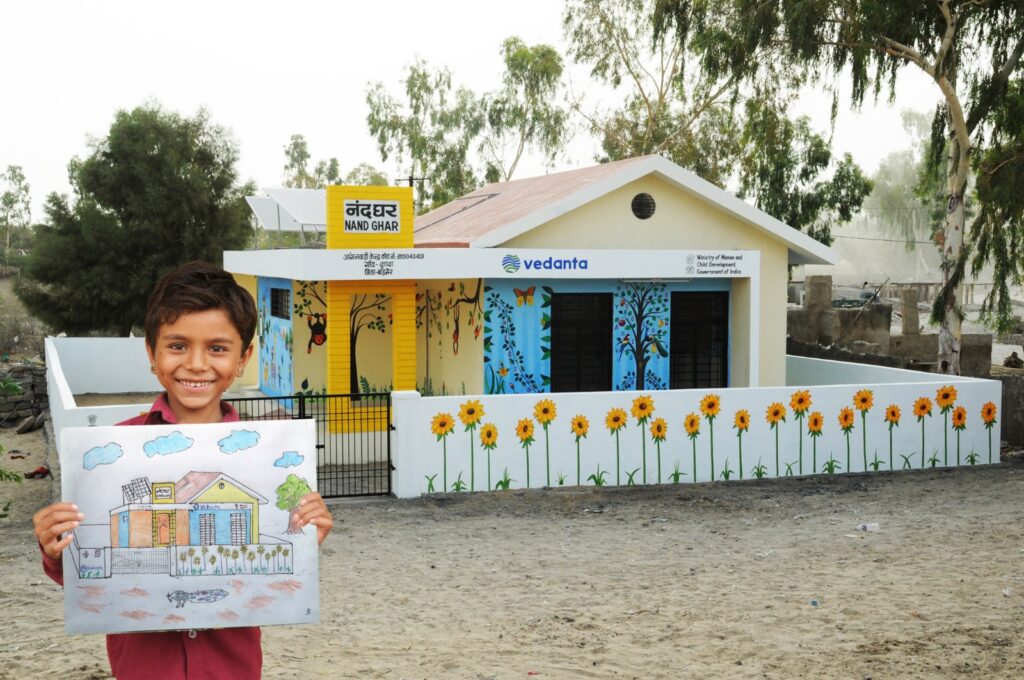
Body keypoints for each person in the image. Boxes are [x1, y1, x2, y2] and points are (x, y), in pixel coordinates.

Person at [32, 261, 334, 680]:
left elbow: (273, 571)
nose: (196, 364)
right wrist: (54, 548)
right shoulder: (114, 451)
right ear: (151, 354)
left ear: (244, 357)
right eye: (177, 346)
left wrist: (303, 536)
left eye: (217, 348)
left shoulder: (265, 458)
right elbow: (87, 578)